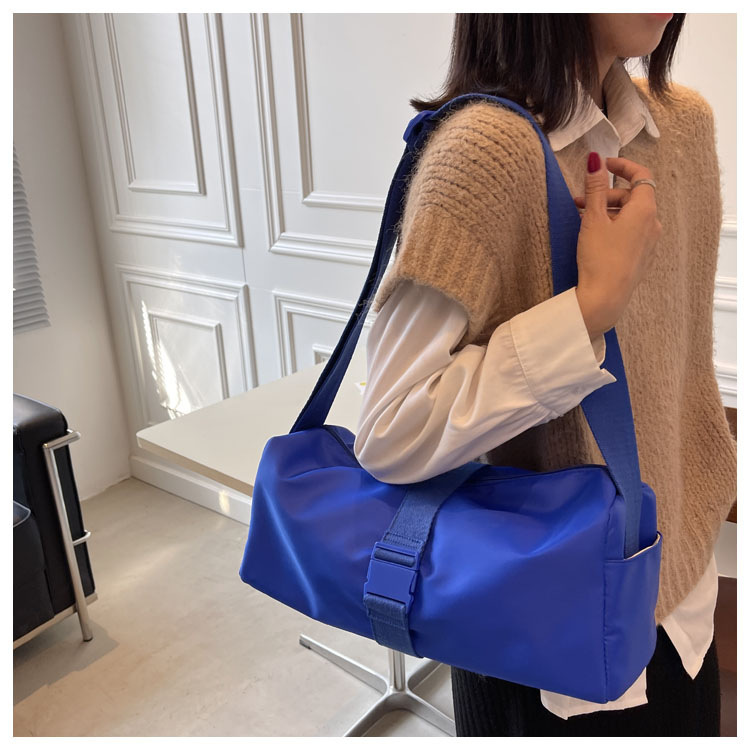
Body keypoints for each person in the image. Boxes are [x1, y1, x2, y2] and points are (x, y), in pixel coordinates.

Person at [354, 13, 735, 737]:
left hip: (684, 599)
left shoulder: (685, 126)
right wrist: (588, 311)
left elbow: (677, 365)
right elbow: (391, 433)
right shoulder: (481, 154)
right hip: (542, 634)